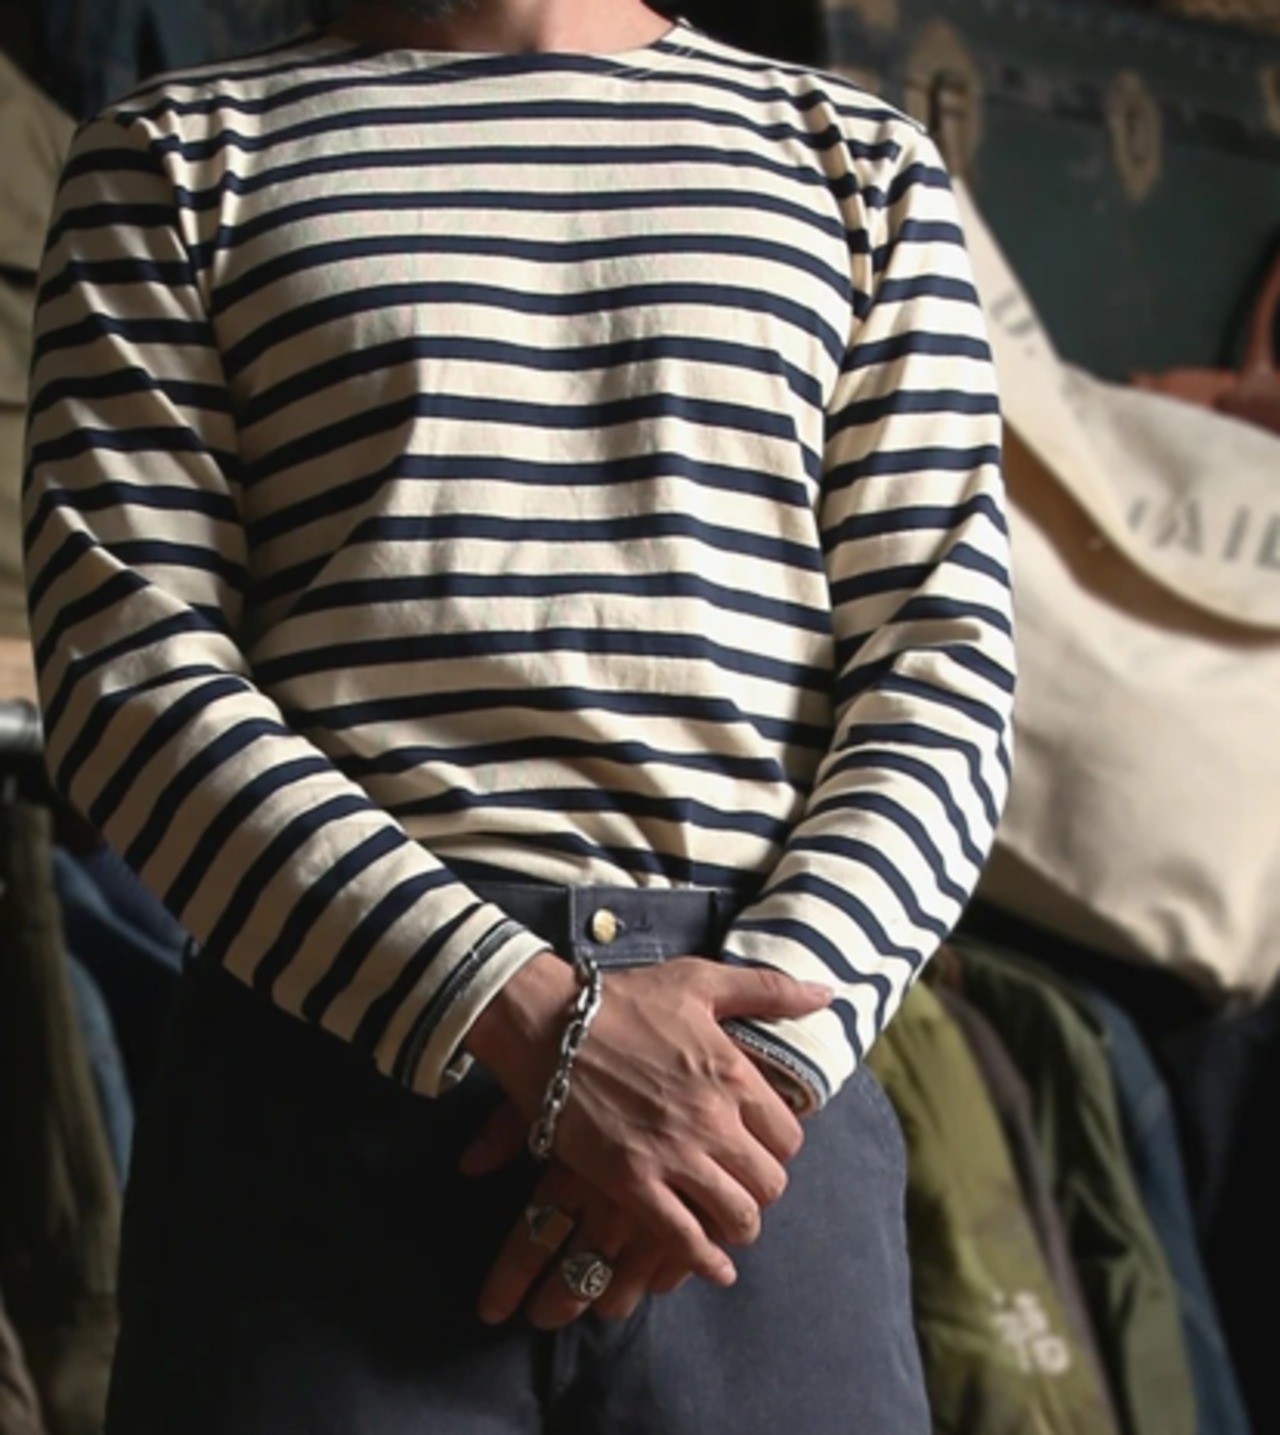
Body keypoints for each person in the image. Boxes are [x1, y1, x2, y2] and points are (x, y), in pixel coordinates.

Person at [21, 0, 1015, 1429]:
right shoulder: (173, 158)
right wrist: (532, 1021)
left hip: (756, 1111)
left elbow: (941, 671)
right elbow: (130, 673)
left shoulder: (857, 161)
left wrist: (745, 1076)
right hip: (333, 1095)